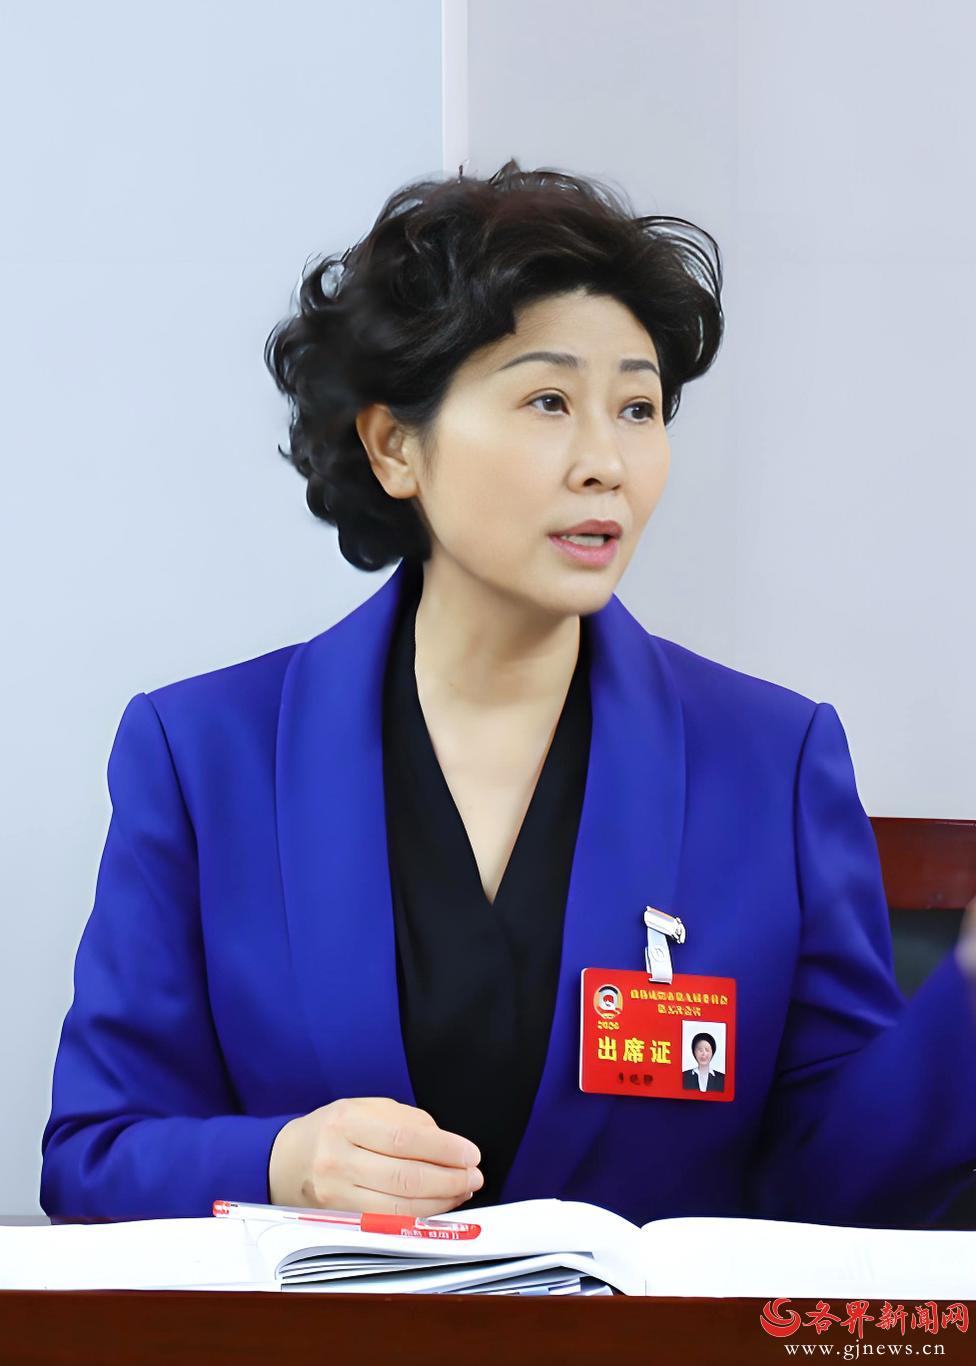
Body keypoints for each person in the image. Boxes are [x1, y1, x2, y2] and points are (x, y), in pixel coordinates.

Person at [40, 160, 976, 1231]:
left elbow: (841, 1188)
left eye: (638, 407)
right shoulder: (203, 753)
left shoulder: (773, 759)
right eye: (548, 401)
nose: (606, 462)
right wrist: (283, 1163)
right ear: (395, 444)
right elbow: (94, 1157)